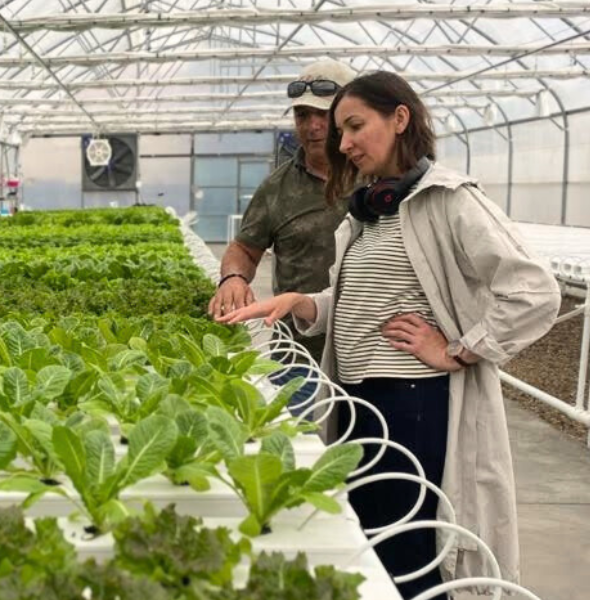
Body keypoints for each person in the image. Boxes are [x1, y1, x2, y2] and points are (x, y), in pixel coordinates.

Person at [217, 71, 560, 598]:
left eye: (355, 127)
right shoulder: (372, 212)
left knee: (408, 555)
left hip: (409, 404)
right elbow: (363, 302)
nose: (345, 143)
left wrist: (458, 350)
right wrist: (301, 303)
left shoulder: (448, 200)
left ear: (400, 119)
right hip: (359, 400)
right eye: (340, 133)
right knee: (370, 547)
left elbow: (534, 291)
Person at [208, 59, 356, 404]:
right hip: (298, 354)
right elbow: (245, 249)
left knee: (363, 450)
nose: (313, 126)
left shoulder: (380, 178)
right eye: (303, 115)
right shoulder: (277, 187)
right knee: (293, 448)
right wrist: (232, 277)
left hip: (367, 355)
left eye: (323, 114)